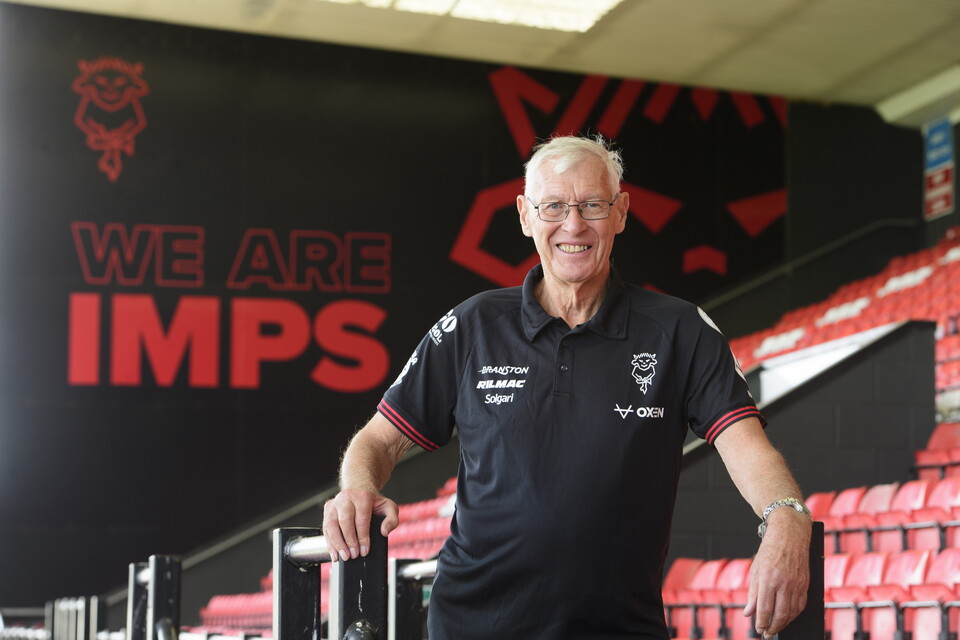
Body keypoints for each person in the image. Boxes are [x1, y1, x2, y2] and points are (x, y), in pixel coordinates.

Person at [323, 135, 812, 639]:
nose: (573, 225)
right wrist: (358, 488)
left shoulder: (680, 331)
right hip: (471, 628)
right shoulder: (472, 326)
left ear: (621, 212)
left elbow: (748, 448)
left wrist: (787, 516)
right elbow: (379, 439)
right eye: (553, 206)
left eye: (592, 205)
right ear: (525, 216)